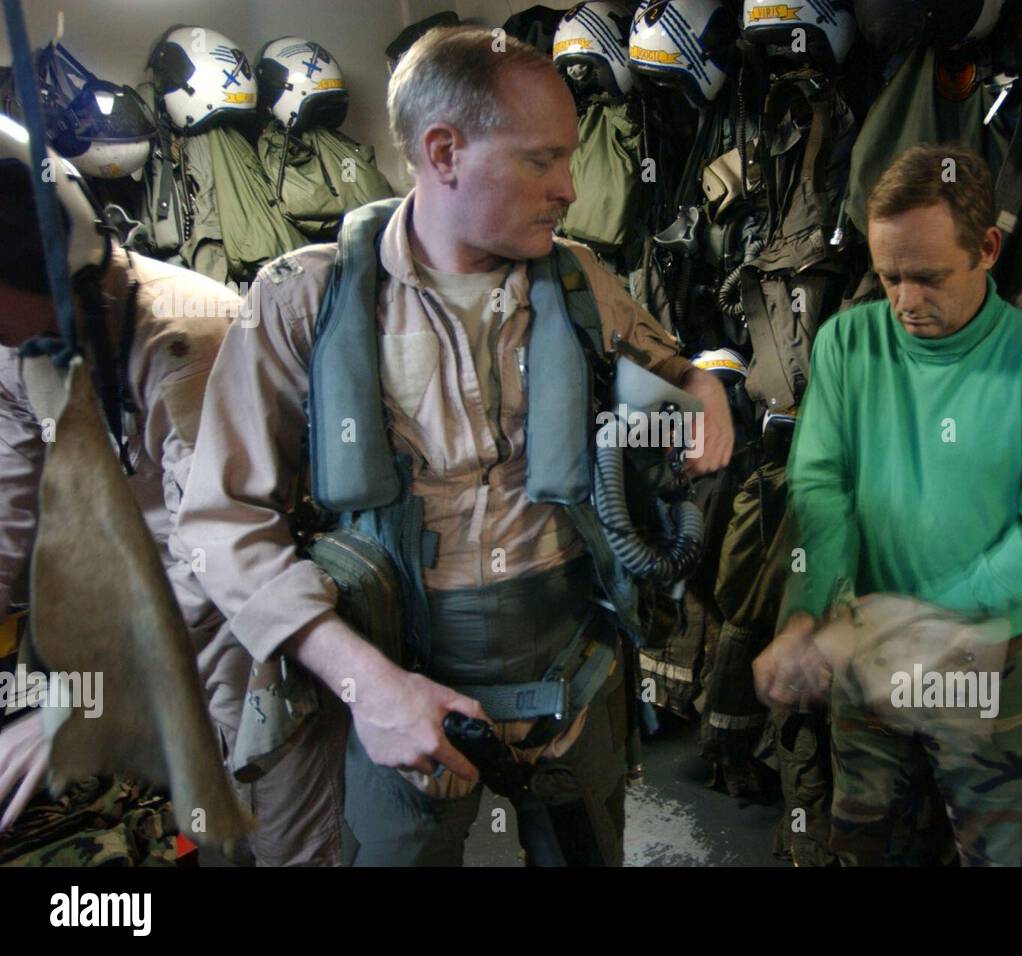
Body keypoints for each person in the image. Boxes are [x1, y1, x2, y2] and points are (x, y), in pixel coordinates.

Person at [176, 25, 733, 866]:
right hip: (399, 691)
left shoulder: (582, 281)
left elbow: (674, 365)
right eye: (541, 161)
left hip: (573, 678)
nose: (569, 189)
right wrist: (368, 687)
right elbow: (221, 523)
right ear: (443, 151)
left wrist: (707, 388)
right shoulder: (302, 304)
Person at [0, 120, 345, 865]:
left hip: (253, 607)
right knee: (204, 807)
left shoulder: (188, 341)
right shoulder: (20, 345)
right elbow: (11, 503)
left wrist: (83, 698)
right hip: (155, 607)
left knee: (276, 813)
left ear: (53, 271)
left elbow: (215, 550)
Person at [754, 144, 1022, 866]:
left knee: (1007, 856)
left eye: (929, 277)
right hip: (865, 657)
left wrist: (918, 623)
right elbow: (820, 490)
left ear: (987, 249)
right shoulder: (848, 344)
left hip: (994, 668)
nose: (906, 302)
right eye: (889, 277)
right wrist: (803, 615)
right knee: (865, 848)